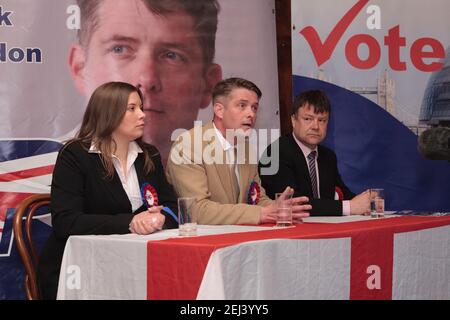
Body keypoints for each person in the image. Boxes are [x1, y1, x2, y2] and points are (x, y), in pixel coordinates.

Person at [37, 82, 178, 300]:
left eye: (141, 107)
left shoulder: (149, 154)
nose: (142, 115)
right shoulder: (76, 155)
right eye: (132, 109)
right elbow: (66, 221)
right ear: (108, 113)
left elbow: (173, 208)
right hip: (79, 269)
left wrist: (158, 218)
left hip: (134, 266)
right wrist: (130, 222)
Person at [69, 0, 223, 163]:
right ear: (80, 69)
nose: (147, 79)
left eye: (172, 55)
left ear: (207, 85)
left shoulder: (234, 183)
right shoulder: (40, 182)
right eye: (120, 49)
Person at [166, 77, 311, 225]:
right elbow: (196, 211)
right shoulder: (189, 145)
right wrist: (261, 213)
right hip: (201, 243)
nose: (251, 114)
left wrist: (279, 208)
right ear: (219, 110)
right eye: (242, 105)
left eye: (254, 107)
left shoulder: (245, 147)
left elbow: (257, 198)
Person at [259, 90, 371, 216]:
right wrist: (350, 207)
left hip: (325, 229)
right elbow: (293, 203)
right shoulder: (274, 154)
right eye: (308, 119)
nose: (315, 126)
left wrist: (365, 202)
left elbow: (343, 194)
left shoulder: (328, 156)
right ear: (293, 121)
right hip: (287, 231)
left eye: (322, 120)